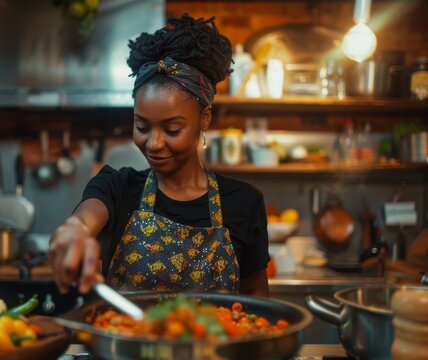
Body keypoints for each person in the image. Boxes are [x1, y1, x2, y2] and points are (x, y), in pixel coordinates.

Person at [48, 14, 270, 296]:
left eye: (172, 129)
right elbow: (82, 221)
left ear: (204, 119)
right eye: (141, 126)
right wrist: (73, 232)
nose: (153, 143)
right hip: (126, 340)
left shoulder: (243, 202)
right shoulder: (116, 187)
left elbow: (258, 308)